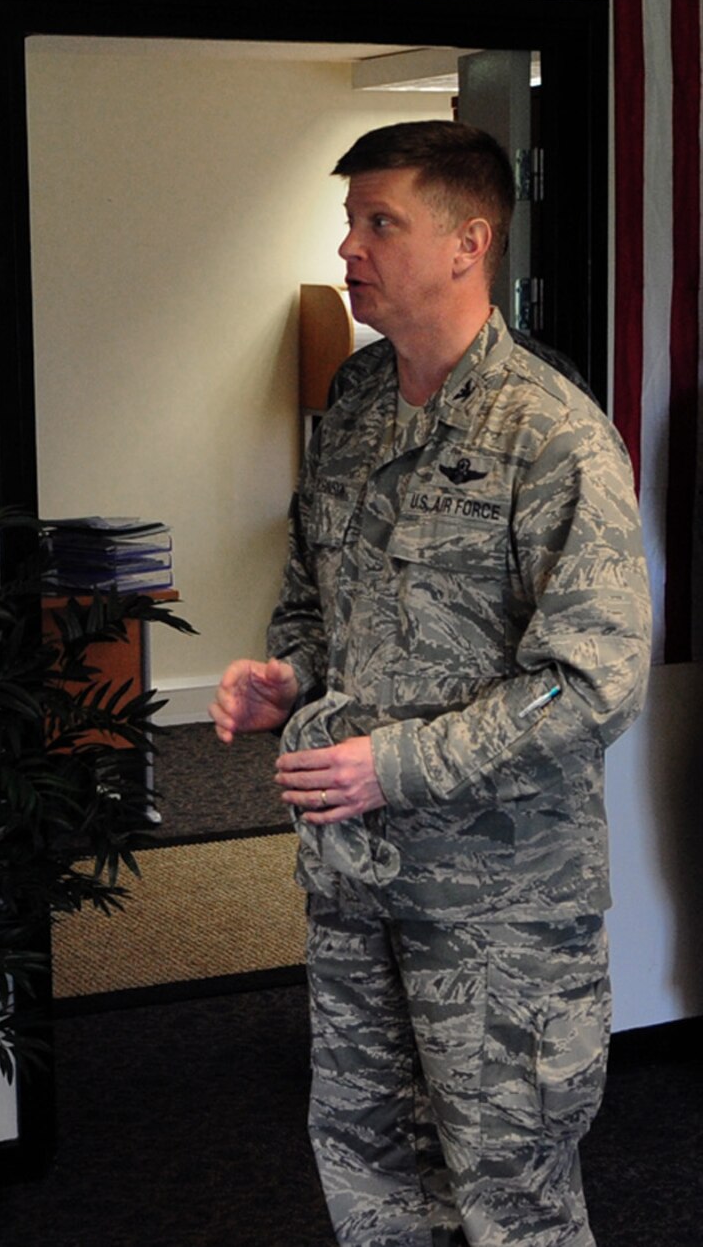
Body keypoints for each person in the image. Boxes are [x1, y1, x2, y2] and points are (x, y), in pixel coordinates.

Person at [209, 120, 651, 1246]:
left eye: (377, 222)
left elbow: (586, 682)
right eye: (349, 222)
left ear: (468, 240)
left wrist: (392, 761)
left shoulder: (552, 437)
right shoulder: (354, 402)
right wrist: (285, 672)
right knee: (371, 1179)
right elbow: (316, 587)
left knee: (510, 1201)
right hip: (357, 888)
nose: (347, 247)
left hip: (500, 912)